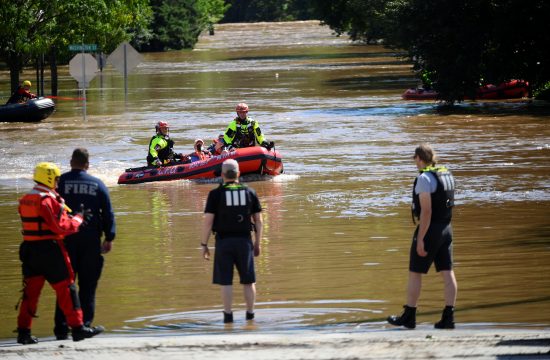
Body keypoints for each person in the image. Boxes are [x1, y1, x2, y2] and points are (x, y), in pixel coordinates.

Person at [16, 162, 103, 344]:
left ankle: (23, 332)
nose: (57, 182)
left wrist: (64, 211)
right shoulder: (47, 200)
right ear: (49, 178)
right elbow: (60, 227)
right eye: (55, 179)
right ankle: (78, 328)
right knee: (67, 289)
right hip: (50, 251)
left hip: (30, 252)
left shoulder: (26, 199)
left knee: (30, 294)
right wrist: (78, 219)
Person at [387, 144, 457, 329]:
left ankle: (409, 316)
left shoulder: (424, 179)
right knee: (447, 273)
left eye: (415, 159)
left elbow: (426, 212)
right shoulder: (446, 174)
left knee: (415, 272)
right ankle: (448, 318)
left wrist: (421, 239)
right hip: (446, 228)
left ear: (419, 158)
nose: (414, 163)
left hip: (430, 230)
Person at [53, 148, 116, 340]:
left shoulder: (59, 183)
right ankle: (83, 326)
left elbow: (49, 208)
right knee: (88, 286)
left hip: (65, 241)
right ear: (87, 164)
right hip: (90, 241)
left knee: (65, 286)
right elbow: (108, 213)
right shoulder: (97, 184)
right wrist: (109, 237)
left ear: (71, 162)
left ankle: (61, 329)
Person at [201, 159, 263, 323]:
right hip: (244, 241)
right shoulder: (250, 192)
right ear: (239, 174)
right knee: (249, 281)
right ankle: (250, 316)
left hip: (223, 242)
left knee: (226, 282)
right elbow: (259, 220)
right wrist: (258, 243)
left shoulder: (215, 194)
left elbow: (208, 221)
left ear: (222, 175)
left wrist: (204, 244)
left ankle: (228, 316)